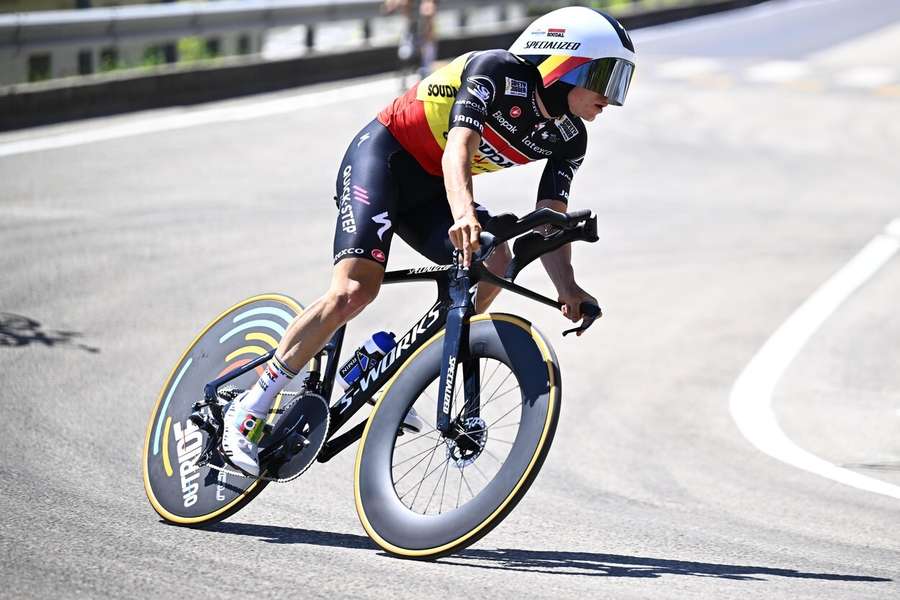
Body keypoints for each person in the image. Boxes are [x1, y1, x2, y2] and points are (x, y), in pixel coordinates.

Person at [221, 6, 636, 476]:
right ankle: (250, 407)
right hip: (386, 161)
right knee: (355, 291)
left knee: (496, 258)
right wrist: (464, 214)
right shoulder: (497, 71)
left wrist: (567, 286)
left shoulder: (569, 138)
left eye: (621, 82)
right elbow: (458, 146)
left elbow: (550, 221)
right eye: (605, 77)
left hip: (433, 193)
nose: (612, 97)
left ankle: (399, 366)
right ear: (562, 63)